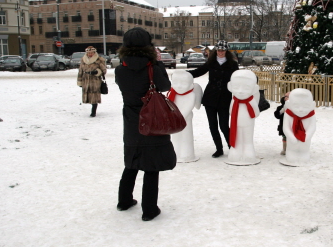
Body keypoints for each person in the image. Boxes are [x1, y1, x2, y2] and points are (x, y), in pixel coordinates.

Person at [115, 28, 176, 221]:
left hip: (131, 121)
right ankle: (149, 209)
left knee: (132, 162)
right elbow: (165, 86)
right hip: (152, 119)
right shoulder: (153, 67)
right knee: (151, 165)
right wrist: (157, 63)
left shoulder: (120, 69)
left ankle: (124, 201)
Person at [188, 40, 239, 158]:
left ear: (227, 51)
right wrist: (185, 74)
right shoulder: (211, 62)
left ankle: (232, 147)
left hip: (224, 98)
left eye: (223, 50)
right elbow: (198, 71)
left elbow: (238, 78)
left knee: (224, 125)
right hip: (210, 98)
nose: (221, 52)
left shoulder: (233, 64)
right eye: (219, 50)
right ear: (216, 51)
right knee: (213, 125)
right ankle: (219, 149)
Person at [77, 46, 107, 117]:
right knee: (88, 96)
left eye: (92, 53)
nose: (90, 54)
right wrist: (80, 81)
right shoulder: (83, 60)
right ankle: (93, 107)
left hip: (95, 81)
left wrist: (97, 72)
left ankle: (93, 111)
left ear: (94, 52)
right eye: (89, 53)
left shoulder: (99, 60)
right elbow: (80, 71)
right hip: (86, 80)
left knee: (94, 97)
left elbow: (104, 70)